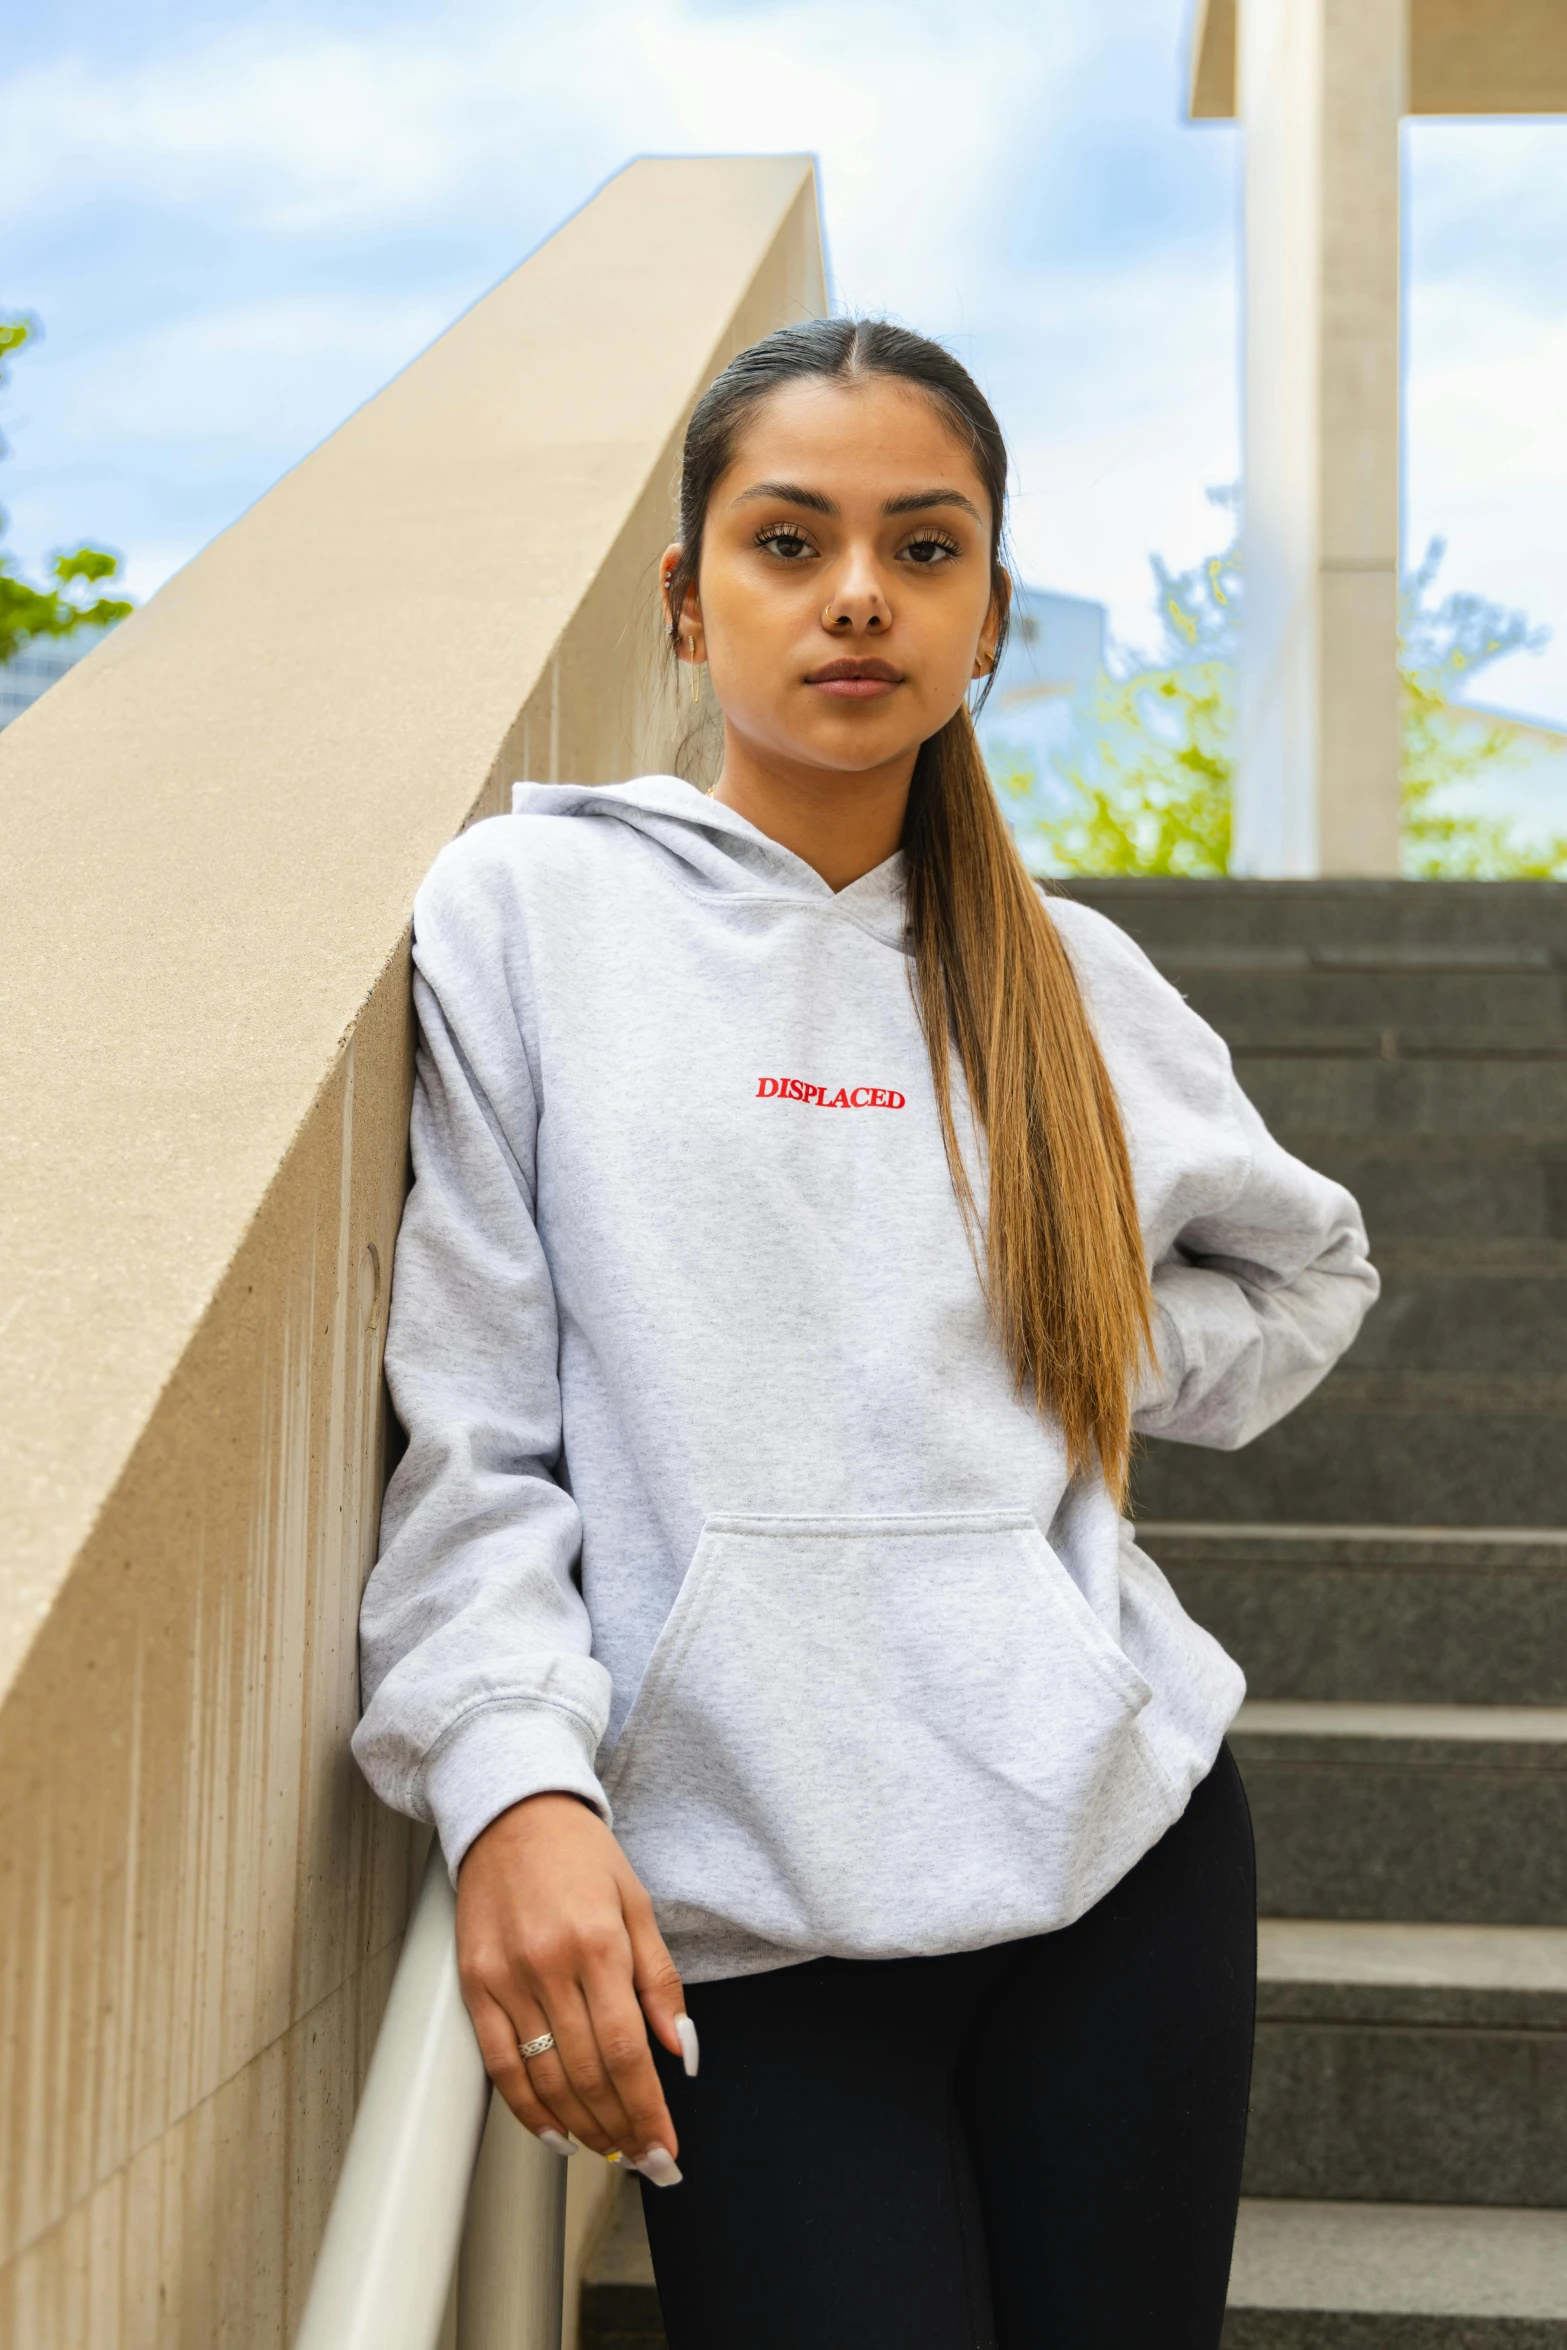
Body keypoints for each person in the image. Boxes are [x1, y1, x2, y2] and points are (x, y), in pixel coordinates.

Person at [353, 319, 1377, 2348]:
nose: (856, 596)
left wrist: (1052, 1331)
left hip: (1119, 1863)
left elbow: (1303, 1279)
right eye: (790, 539)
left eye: (924, 549)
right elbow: (469, 1428)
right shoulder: (528, 915)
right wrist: (510, 1781)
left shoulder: (1068, 973)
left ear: (989, 611)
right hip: (736, 1899)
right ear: (687, 594)